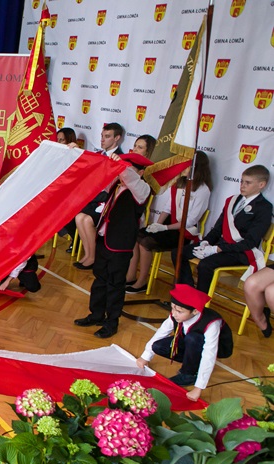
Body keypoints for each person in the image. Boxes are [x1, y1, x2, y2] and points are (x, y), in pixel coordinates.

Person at [74, 152, 152, 338]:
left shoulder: (142, 189)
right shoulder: (116, 184)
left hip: (120, 245)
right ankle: (96, 315)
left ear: (140, 172)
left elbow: (128, 175)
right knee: (99, 279)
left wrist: (119, 163)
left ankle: (111, 323)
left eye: (127, 166)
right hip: (104, 238)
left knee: (115, 284)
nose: (120, 170)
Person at [127, 151, 212, 293]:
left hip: (183, 232)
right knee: (137, 236)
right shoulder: (179, 183)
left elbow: (190, 221)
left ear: (196, 168)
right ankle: (130, 276)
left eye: (187, 166)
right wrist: (156, 225)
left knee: (146, 242)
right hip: (169, 225)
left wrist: (164, 228)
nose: (183, 169)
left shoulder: (203, 190)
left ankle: (142, 281)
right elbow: (168, 208)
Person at [137, 284, 233, 401]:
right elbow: (161, 332)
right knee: (157, 346)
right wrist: (145, 356)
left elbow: (209, 354)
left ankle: (189, 375)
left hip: (211, 346)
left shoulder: (211, 323)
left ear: (195, 311)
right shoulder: (176, 315)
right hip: (189, 342)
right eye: (172, 308)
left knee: (193, 338)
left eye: (179, 311)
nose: (174, 313)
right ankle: (192, 361)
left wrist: (198, 388)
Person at [183, 166, 272, 293]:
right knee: (180, 252)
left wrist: (217, 249)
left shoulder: (264, 208)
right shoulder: (233, 201)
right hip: (222, 245)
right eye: (241, 181)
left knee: (206, 264)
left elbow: (250, 242)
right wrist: (206, 242)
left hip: (241, 252)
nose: (242, 185)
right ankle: (186, 292)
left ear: (261, 184)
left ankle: (199, 304)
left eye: (248, 182)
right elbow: (218, 228)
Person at [73, 122, 125, 269]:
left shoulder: (120, 159)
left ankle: (94, 257)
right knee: (79, 217)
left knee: (87, 219)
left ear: (117, 138)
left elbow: (114, 188)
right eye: (102, 136)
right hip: (94, 200)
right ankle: (88, 254)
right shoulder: (98, 155)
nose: (102, 140)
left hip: (108, 203)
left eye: (107, 137)